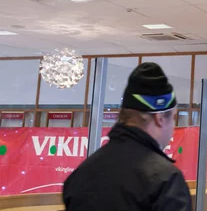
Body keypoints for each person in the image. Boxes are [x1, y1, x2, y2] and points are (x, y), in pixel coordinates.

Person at [63, 62, 192, 211]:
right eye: (173, 118)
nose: (173, 128)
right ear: (160, 118)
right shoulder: (165, 181)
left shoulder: (81, 175)